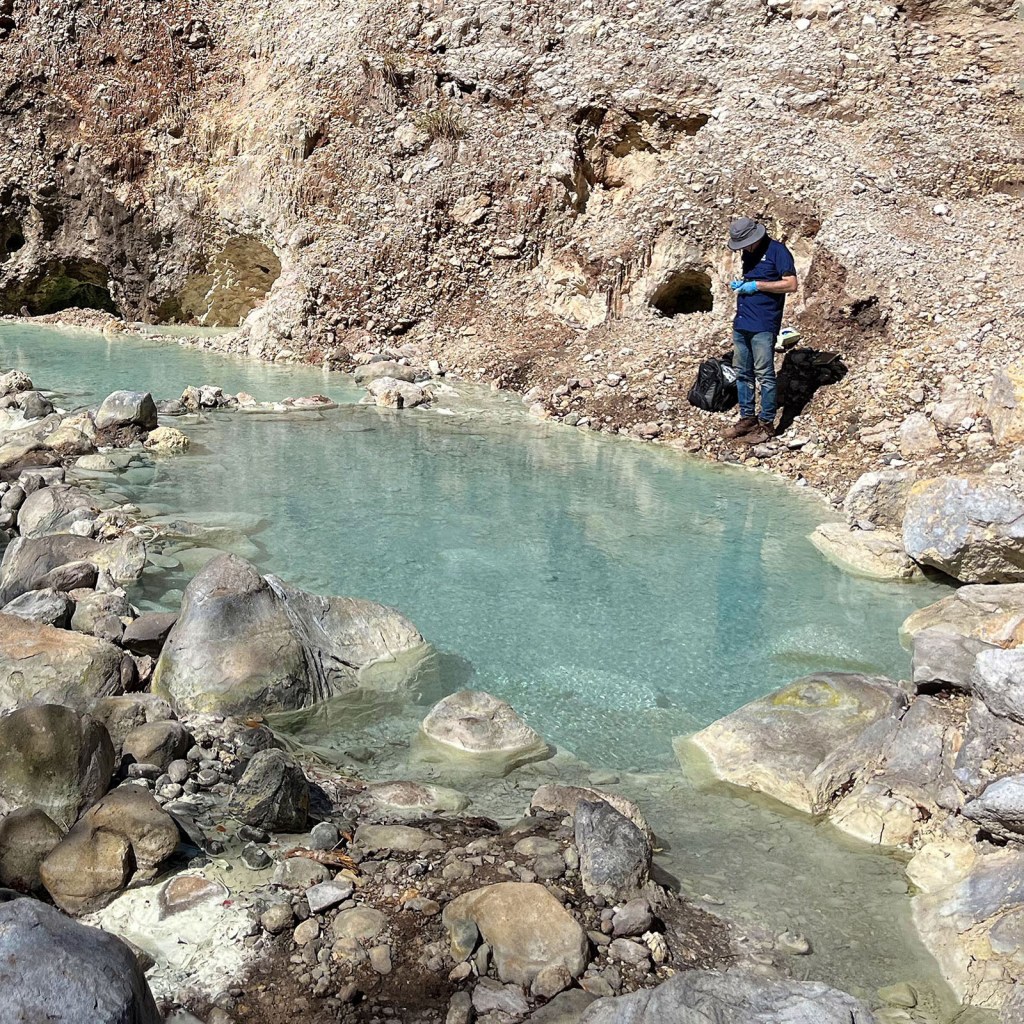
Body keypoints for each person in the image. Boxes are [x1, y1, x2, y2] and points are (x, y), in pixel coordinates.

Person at [721, 217, 798, 443]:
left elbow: (791, 284)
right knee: (743, 372)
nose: (742, 249)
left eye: (745, 243)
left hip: (764, 324)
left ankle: (766, 423)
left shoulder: (778, 252)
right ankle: (747, 418)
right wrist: (743, 285)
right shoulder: (749, 253)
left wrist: (757, 286)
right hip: (743, 321)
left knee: (764, 374)